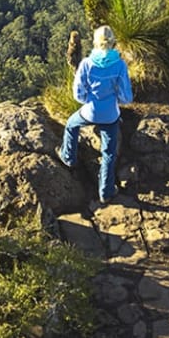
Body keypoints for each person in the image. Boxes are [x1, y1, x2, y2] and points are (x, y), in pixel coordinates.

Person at [59, 24, 134, 203]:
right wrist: (115, 101)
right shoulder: (119, 65)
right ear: (113, 42)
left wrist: (90, 101)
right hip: (111, 115)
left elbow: (78, 93)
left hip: (90, 111)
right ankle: (105, 192)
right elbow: (126, 96)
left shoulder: (86, 63)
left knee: (71, 125)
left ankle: (68, 157)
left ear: (95, 42)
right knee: (108, 153)